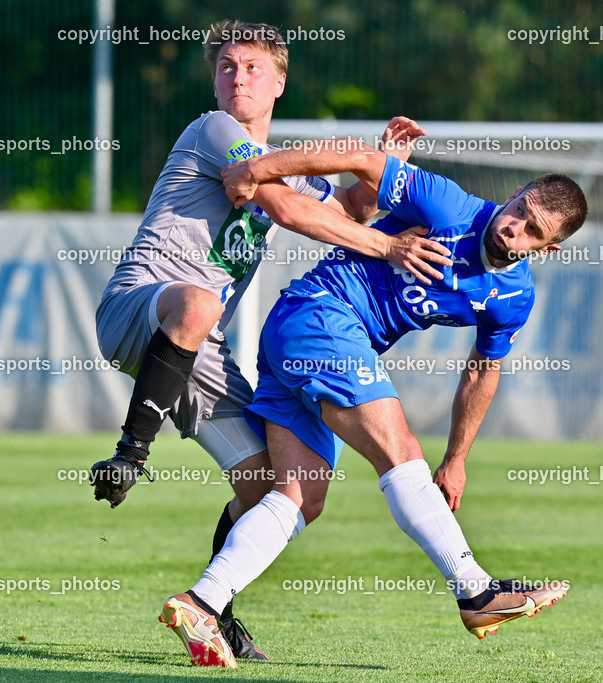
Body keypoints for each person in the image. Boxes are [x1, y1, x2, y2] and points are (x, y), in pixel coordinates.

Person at [89, 20, 451, 662]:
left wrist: (382, 166)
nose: (238, 78)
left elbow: (343, 211)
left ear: (280, 80)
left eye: (254, 67)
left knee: (286, 491)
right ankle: (130, 453)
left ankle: (211, 613)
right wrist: (389, 247)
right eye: (227, 66)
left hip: (196, 353)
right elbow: (286, 211)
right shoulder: (213, 131)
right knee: (200, 299)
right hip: (139, 311)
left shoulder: (289, 172)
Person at [157, 137, 587, 668]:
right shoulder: (447, 205)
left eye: (532, 230)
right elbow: (359, 156)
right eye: (521, 209)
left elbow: (482, 372)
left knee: (300, 495)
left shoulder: (514, 297)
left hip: (307, 337)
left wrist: (456, 459)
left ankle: (202, 602)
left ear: (548, 249)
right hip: (321, 316)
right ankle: (475, 591)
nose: (514, 226)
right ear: (518, 192)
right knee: (401, 450)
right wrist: (257, 168)